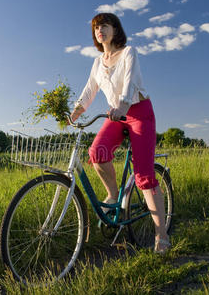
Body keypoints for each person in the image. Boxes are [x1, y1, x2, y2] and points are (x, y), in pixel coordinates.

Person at [69, 13, 171, 253]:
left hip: (137, 112)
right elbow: (88, 92)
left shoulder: (128, 53)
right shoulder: (97, 62)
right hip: (115, 114)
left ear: (115, 29)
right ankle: (113, 195)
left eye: (104, 25)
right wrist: (73, 114)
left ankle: (162, 236)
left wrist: (124, 104)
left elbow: (130, 82)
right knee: (97, 153)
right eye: (95, 28)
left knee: (144, 176)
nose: (99, 31)